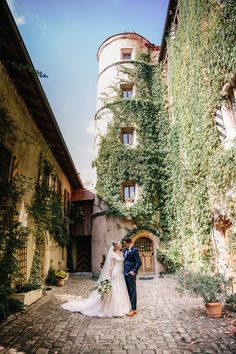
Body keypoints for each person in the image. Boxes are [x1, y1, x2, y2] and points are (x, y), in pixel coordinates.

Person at [61, 242, 130, 317]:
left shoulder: (121, 253)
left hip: (120, 274)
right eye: (120, 244)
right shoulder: (113, 254)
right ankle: (110, 309)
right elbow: (111, 266)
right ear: (116, 246)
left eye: (121, 244)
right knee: (113, 290)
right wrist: (109, 277)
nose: (121, 245)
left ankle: (121, 308)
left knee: (120, 289)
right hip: (115, 273)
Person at [123, 237, 142, 316]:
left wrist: (134, 271)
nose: (124, 245)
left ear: (128, 243)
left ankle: (133, 309)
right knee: (128, 291)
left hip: (131, 274)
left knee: (132, 291)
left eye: (125, 243)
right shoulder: (125, 250)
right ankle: (129, 306)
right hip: (124, 273)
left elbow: (139, 262)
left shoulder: (134, 250)